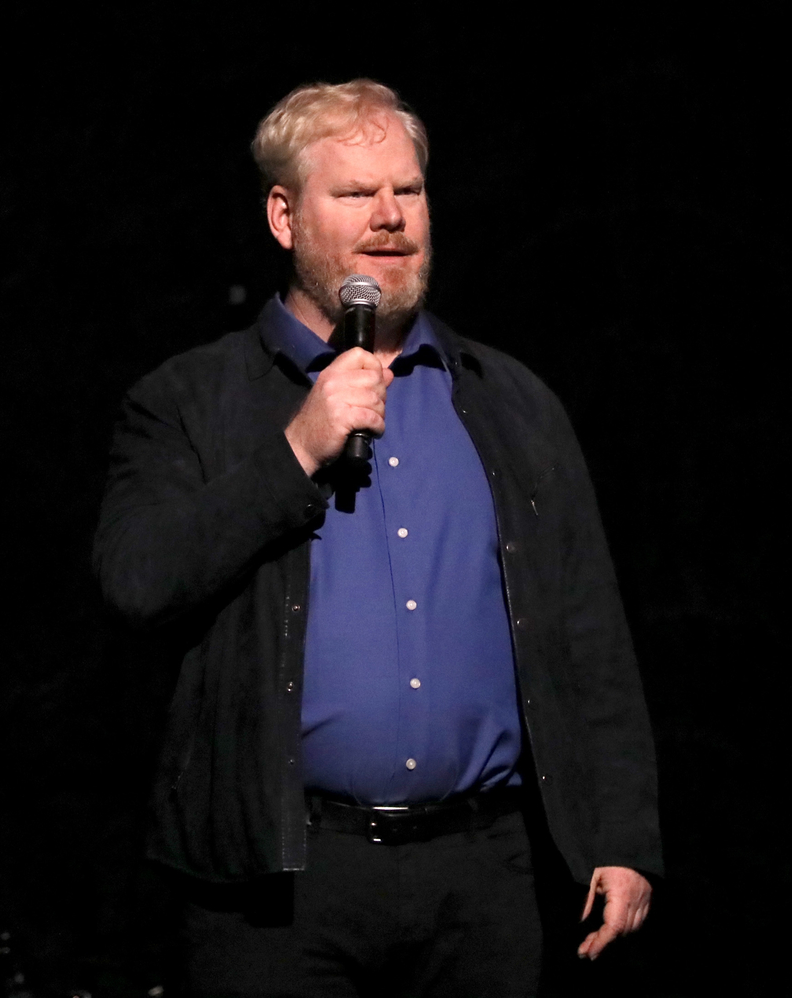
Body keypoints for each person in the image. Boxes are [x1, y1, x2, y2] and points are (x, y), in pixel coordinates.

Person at [94, 79, 661, 997]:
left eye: (409, 190)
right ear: (283, 216)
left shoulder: (510, 402)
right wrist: (295, 450)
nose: (391, 218)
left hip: (483, 875)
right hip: (281, 880)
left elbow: (589, 628)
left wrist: (625, 834)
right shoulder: (189, 401)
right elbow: (137, 580)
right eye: (355, 195)